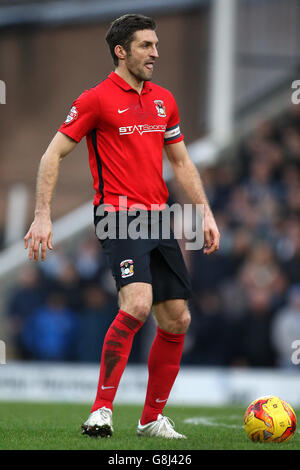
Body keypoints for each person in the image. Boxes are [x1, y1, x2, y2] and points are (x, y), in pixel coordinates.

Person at [24, 14, 220, 439]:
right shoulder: (95, 99)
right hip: (119, 214)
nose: (156, 53)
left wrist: (203, 211)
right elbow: (51, 156)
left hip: (161, 216)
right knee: (135, 305)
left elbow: (182, 161)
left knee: (177, 319)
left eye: (156, 44)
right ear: (121, 51)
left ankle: (151, 419)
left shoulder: (164, 99)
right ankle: (100, 411)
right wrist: (42, 215)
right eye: (146, 46)